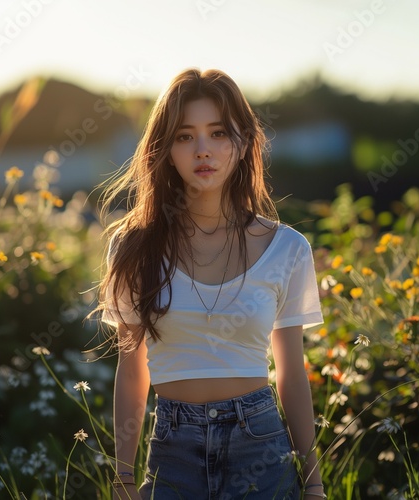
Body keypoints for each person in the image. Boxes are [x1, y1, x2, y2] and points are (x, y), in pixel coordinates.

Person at [98, 68, 325, 499]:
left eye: (218, 132)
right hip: (172, 447)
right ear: (165, 150)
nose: (203, 150)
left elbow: (291, 373)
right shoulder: (133, 247)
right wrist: (124, 479)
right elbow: (131, 372)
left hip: (260, 445)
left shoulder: (288, 249)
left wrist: (312, 483)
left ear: (242, 143)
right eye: (185, 136)